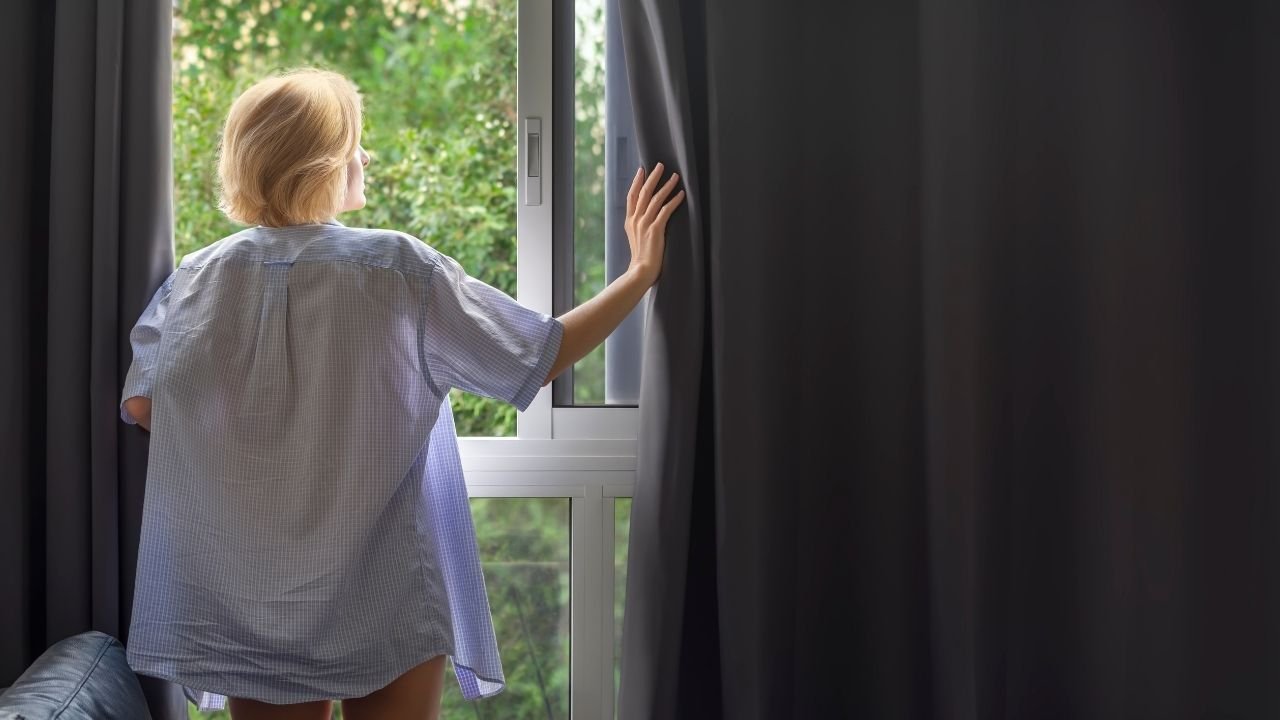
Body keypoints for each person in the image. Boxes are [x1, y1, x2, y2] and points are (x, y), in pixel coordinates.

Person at [118, 68, 684, 720]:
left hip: (255, 598)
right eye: (355, 141)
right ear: (324, 160)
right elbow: (540, 354)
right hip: (383, 589)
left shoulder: (196, 279)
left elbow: (146, 407)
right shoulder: (396, 270)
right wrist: (641, 273)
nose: (365, 156)